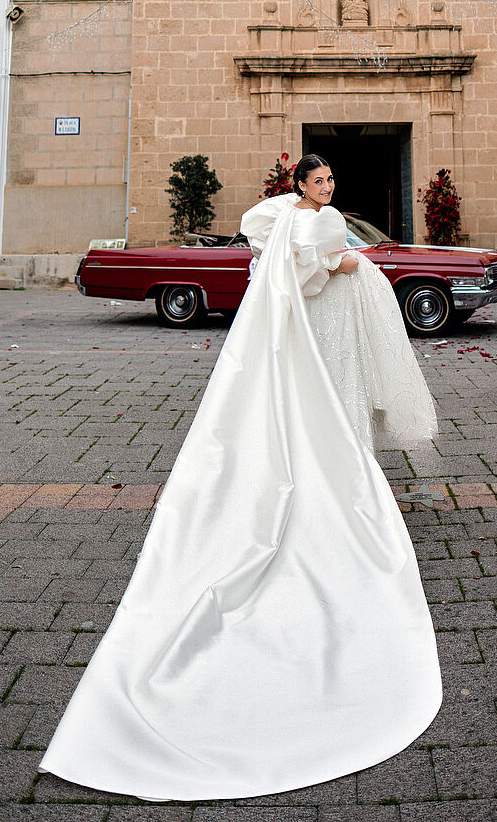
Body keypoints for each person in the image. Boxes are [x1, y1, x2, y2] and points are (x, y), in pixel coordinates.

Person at [37, 154, 443, 802]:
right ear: (300, 185)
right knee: (326, 410)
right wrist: (346, 262)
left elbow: (269, 243)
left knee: (298, 413)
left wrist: (314, 243)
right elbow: (318, 269)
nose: (328, 189)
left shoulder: (279, 217)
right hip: (320, 324)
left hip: (304, 332)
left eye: (331, 181)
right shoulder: (320, 223)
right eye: (318, 181)